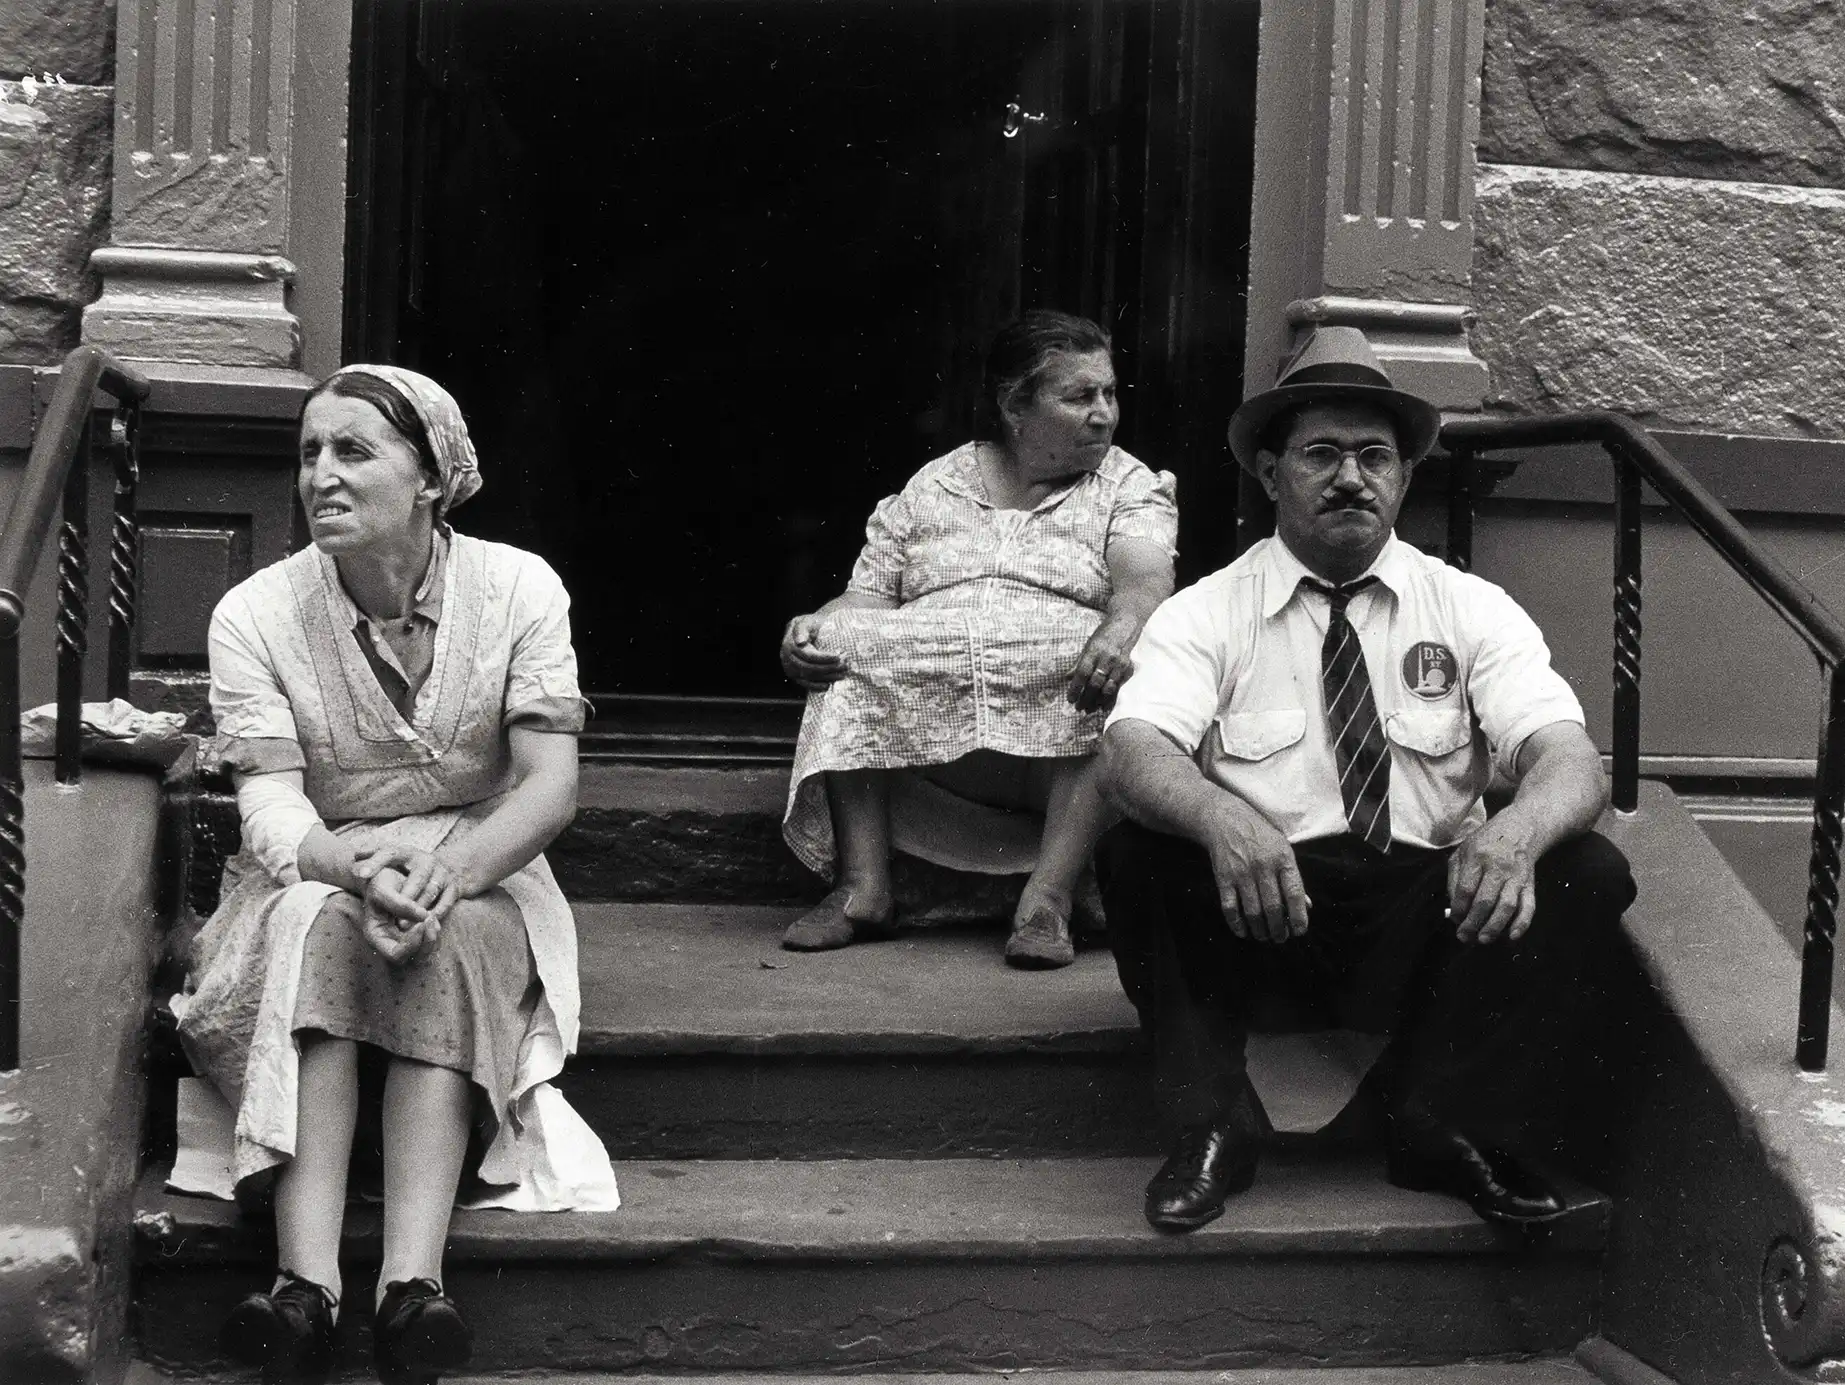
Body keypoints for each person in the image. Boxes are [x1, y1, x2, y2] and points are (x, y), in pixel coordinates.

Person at [1098, 326, 1636, 1233]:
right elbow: (1133, 747)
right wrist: (1223, 820)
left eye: (1374, 456)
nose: (1350, 477)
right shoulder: (1207, 611)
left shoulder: (1467, 606)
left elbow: (1567, 757)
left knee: (1585, 869)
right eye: (1321, 454)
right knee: (1137, 854)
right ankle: (1213, 1126)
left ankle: (1437, 1120)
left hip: (1424, 917)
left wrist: (1514, 833)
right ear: (1270, 473)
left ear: (1403, 476)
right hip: (1268, 911)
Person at [174, 365, 617, 1385]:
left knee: (447, 937)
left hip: (480, 856)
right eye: (309, 453)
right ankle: (305, 1286)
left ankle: (411, 1287)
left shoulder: (520, 588)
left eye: (352, 450)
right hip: (312, 859)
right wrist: (354, 864)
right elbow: (272, 803)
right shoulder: (254, 614)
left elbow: (549, 785)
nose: (320, 476)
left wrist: (444, 873)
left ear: (429, 479)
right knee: (321, 926)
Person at [779, 311, 1177, 968]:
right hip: (934, 759)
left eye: (1109, 392)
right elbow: (869, 595)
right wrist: (813, 627)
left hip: (1052, 756)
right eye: (1079, 396)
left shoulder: (1127, 485)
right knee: (844, 639)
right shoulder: (936, 484)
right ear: (1015, 406)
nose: (1103, 413)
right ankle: (862, 887)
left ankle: (1047, 899)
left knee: (1109, 654)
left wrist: (1121, 627)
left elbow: (1144, 578)